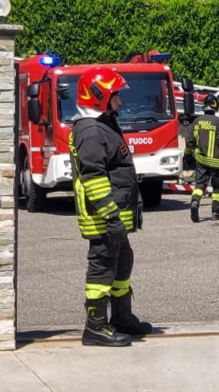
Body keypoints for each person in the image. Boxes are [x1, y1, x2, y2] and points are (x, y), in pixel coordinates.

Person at [71, 66, 154, 347]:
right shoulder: (91, 131)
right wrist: (110, 215)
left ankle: (121, 317)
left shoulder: (103, 124)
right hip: (103, 216)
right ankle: (95, 326)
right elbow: (93, 176)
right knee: (102, 268)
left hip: (113, 214)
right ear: (98, 96)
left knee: (122, 262)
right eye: (115, 96)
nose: (119, 102)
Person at [186, 95, 219, 223]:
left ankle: (195, 202)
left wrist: (187, 155)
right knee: (217, 187)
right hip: (216, 162)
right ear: (215, 107)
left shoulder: (196, 122)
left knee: (200, 184)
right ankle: (215, 213)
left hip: (201, 160)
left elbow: (190, 141)